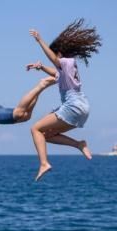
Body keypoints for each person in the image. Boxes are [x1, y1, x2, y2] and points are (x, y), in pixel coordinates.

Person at [27, 19, 101, 181]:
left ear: (60, 54)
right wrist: (40, 68)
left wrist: (39, 40)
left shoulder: (67, 62)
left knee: (35, 129)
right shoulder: (67, 68)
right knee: (45, 135)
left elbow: (55, 62)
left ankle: (44, 163)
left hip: (73, 106)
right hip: (81, 108)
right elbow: (55, 73)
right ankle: (79, 144)